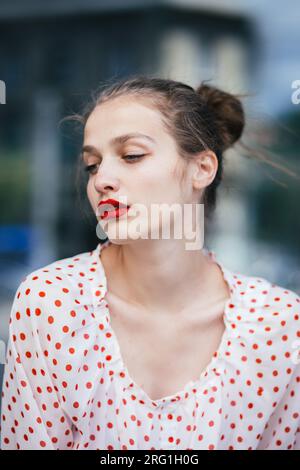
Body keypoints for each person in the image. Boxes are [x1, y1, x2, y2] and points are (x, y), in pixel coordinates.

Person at [1, 76, 299, 450]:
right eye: (92, 165)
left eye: (132, 156)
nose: (102, 180)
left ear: (202, 169)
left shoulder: (281, 326)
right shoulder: (52, 303)